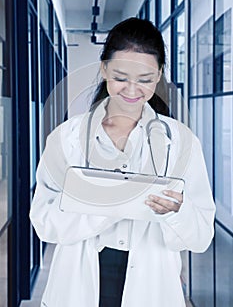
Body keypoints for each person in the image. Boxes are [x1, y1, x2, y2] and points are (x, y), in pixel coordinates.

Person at [30, 17, 216, 307]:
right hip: (76, 287)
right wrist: (110, 205)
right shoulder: (66, 138)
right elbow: (45, 224)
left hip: (152, 287)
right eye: (120, 78)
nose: (132, 90)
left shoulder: (181, 141)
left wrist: (176, 212)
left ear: (159, 76)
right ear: (104, 69)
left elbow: (200, 237)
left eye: (144, 80)